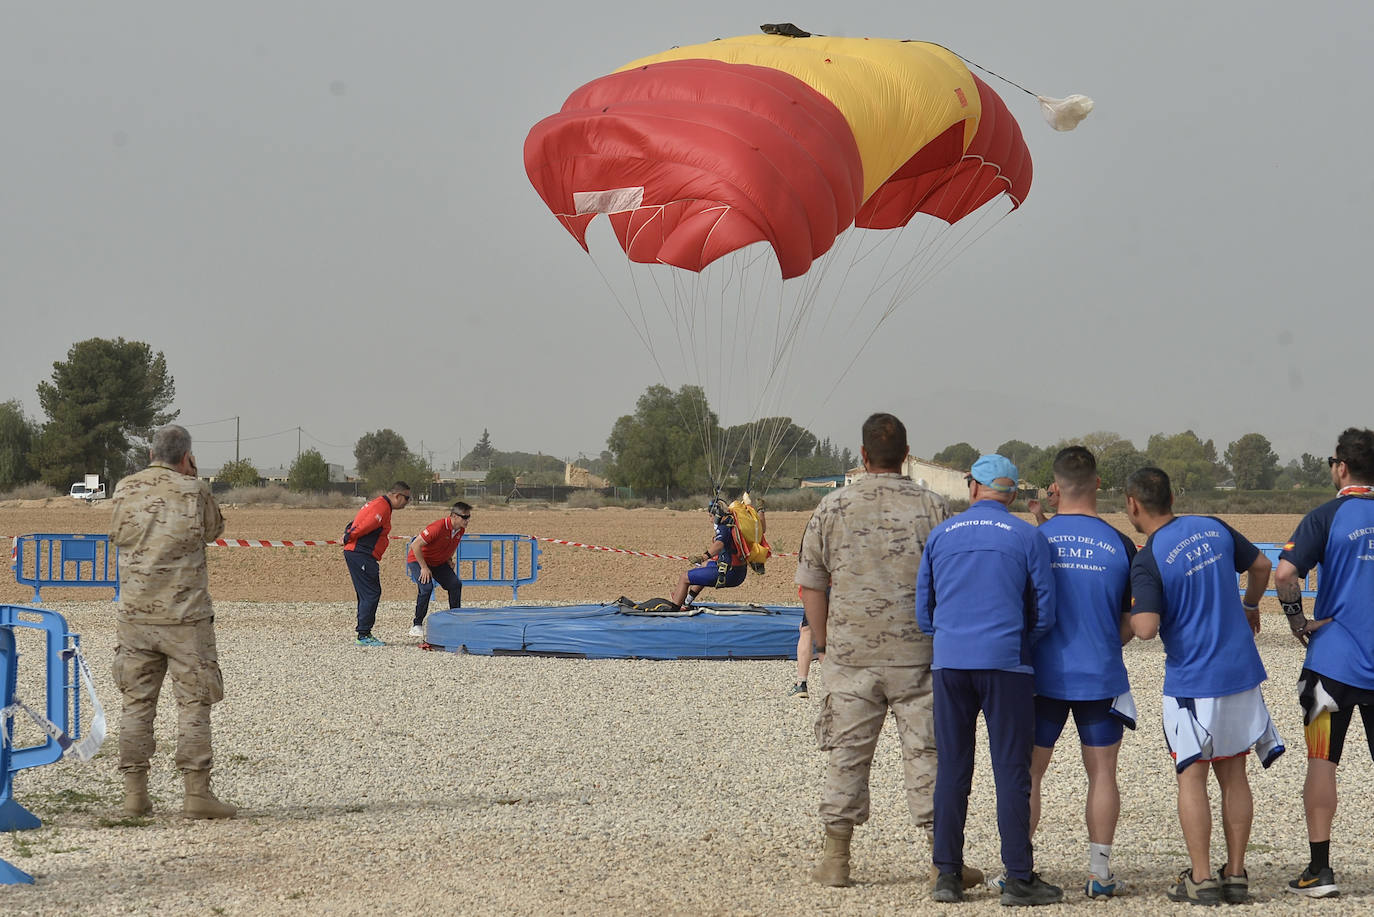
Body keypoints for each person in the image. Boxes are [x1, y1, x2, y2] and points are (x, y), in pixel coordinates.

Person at [796, 413, 983, 892]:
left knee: (846, 756)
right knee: (928, 756)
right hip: (920, 655)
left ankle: (836, 859)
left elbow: (811, 584)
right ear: (905, 456)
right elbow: (955, 581)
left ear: (861, 457)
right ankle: (944, 865)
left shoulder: (831, 507)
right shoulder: (935, 507)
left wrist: (822, 644)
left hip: (850, 656)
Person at [1126, 466, 1283, 905]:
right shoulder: (1213, 527)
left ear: (1133, 504)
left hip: (1193, 681)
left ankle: (1200, 878)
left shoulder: (1150, 555)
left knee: (1191, 777)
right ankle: (1235, 874)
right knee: (1234, 773)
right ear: (1172, 497)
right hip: (1242, 672)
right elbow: (1262, 564)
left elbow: (1144, 628)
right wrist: (1251, 604)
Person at [917, 453, 1062, 906]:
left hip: (951, 664)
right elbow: (1044, 611)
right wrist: (1016, 639)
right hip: (1007, 665)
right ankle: (1019, 877)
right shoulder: (1027, 535)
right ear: (1014, 493)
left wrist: (951, 637)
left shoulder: (940, 535)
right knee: (1011, 773)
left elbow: (924, 613)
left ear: (972, 486)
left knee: (953, 770)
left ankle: (946, 874)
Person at [1025, 446, 1138, 899]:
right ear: (1096, 484)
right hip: (1101, 674)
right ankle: (1099, 874)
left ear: (1055, 487)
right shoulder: (1119, 543)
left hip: (1041, 675)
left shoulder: (1037, 539)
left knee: (1029, 773)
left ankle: (1020, 867)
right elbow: (1135, 618)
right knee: (1103, 773)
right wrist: (1110, 642)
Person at [108, 423, 236, 819]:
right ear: (187, 457)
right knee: (194, 702)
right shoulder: (194, 490)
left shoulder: (125, 489)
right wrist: (192, 479)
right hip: (185, 619)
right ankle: (196, 794)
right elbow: (214, 530)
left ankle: (134, 795)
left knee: (136, 702)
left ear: (150, 454)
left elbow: (116, 534)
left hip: (135, 616)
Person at [1275, 427, 1374, 899]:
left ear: (1340, 467)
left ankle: (1320, 870)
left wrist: (1297, 622)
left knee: (1321, 761)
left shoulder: (1326, 515)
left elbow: (1285, 573)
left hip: (1329, 665)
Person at [343, 481, 411, 646]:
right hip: (362, 554)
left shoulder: (378, 504)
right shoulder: (381, 508)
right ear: (397, 496)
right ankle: (364, 634)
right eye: (407, 498)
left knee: (367, 594)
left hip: (361, 554)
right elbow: (364, 526)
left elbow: (353, 523)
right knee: (371, 593)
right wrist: (347, 537)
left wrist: (347, 534)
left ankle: (363, 631)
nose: (407, 502)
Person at [406, 501, 472, 638]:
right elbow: (415, 545)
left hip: (438, 562)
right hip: (419, 560)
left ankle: (455, 619)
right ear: (454, 516)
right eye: (464, 517)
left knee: (455, 584)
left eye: (468, 517)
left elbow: (450, 546)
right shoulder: (438, 527)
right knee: (426, 588)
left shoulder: (460, 530)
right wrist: (423, 567)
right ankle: (417, 624)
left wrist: (449, 559)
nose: (467, 520)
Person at [668, 499, 747, 610]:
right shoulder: (734, 523)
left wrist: (703, 557)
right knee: (705, 565)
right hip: (739, 572)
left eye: (711, 516)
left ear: (717, 515)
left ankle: (674, 609)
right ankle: (686, 602)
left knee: (684, 577)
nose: (710, 520)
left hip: (729, 574)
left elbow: (719, 544)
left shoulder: (724, 527)